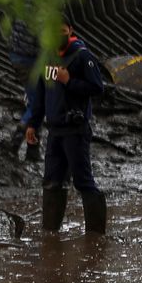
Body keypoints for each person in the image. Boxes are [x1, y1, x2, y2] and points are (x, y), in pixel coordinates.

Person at [24, 17, 106, 234]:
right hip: (54, 131)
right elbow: (41, 95)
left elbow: (97, 87)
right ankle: (50, 233)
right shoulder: (47, 59)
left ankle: (96, 237)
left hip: (75, 130)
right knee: (51, 181)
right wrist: (33, 124)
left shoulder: (82, 56)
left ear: (70, 31)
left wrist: (69, 81)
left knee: (83, 182)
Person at [6, 17, 41, 162]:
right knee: (38, 104)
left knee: (35, 100)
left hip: (17, 56)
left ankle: (32, 150)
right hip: (31, 59)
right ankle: (16, 140)